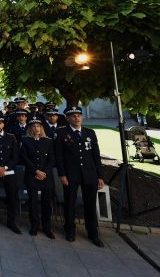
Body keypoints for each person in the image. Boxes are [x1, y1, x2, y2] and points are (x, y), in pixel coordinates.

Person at [55, 106, 105, 247]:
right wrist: (62, 174)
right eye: (73, 115)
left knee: (90, 205)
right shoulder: (61, 133)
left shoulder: (90, 133)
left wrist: (100, 175)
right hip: (71, 175)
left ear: (81, 117)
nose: (76, 117)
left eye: (78, 115)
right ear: (68, 118)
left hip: (89, 174)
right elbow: (59, 157)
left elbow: (96, 155)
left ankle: (93, 233)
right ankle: (70, 230)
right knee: (69, 203)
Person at [20, 118, 55, 239]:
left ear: (41, 128)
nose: (36, 128)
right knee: (33, 203)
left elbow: (51, 159)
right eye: (33, 126)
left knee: (46, 203)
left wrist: (44, 172)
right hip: (32, 175)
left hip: (46, 176)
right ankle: (34, 226)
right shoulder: (25, 141)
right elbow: (25, 158)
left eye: (38, 126)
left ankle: (47, 228)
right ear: (30, 128)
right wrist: (36, 171)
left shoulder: (48, 141)